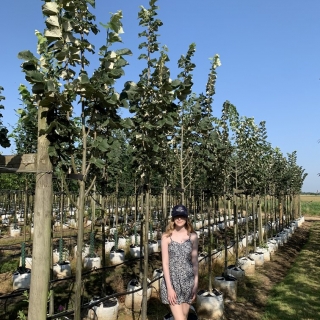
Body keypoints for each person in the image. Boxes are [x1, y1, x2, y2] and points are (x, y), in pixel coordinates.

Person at [160, 204, 199, 320]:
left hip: (188, 281)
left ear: (186, 218)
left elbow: (195, 262)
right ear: (173, 218)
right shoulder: (166, 237)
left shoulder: (193, 237)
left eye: (182, 216)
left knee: (184, 317)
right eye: (177, 216)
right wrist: (170, 288)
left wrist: (196, 283)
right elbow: (165, 263)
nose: (179, 219)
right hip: (173, 281)